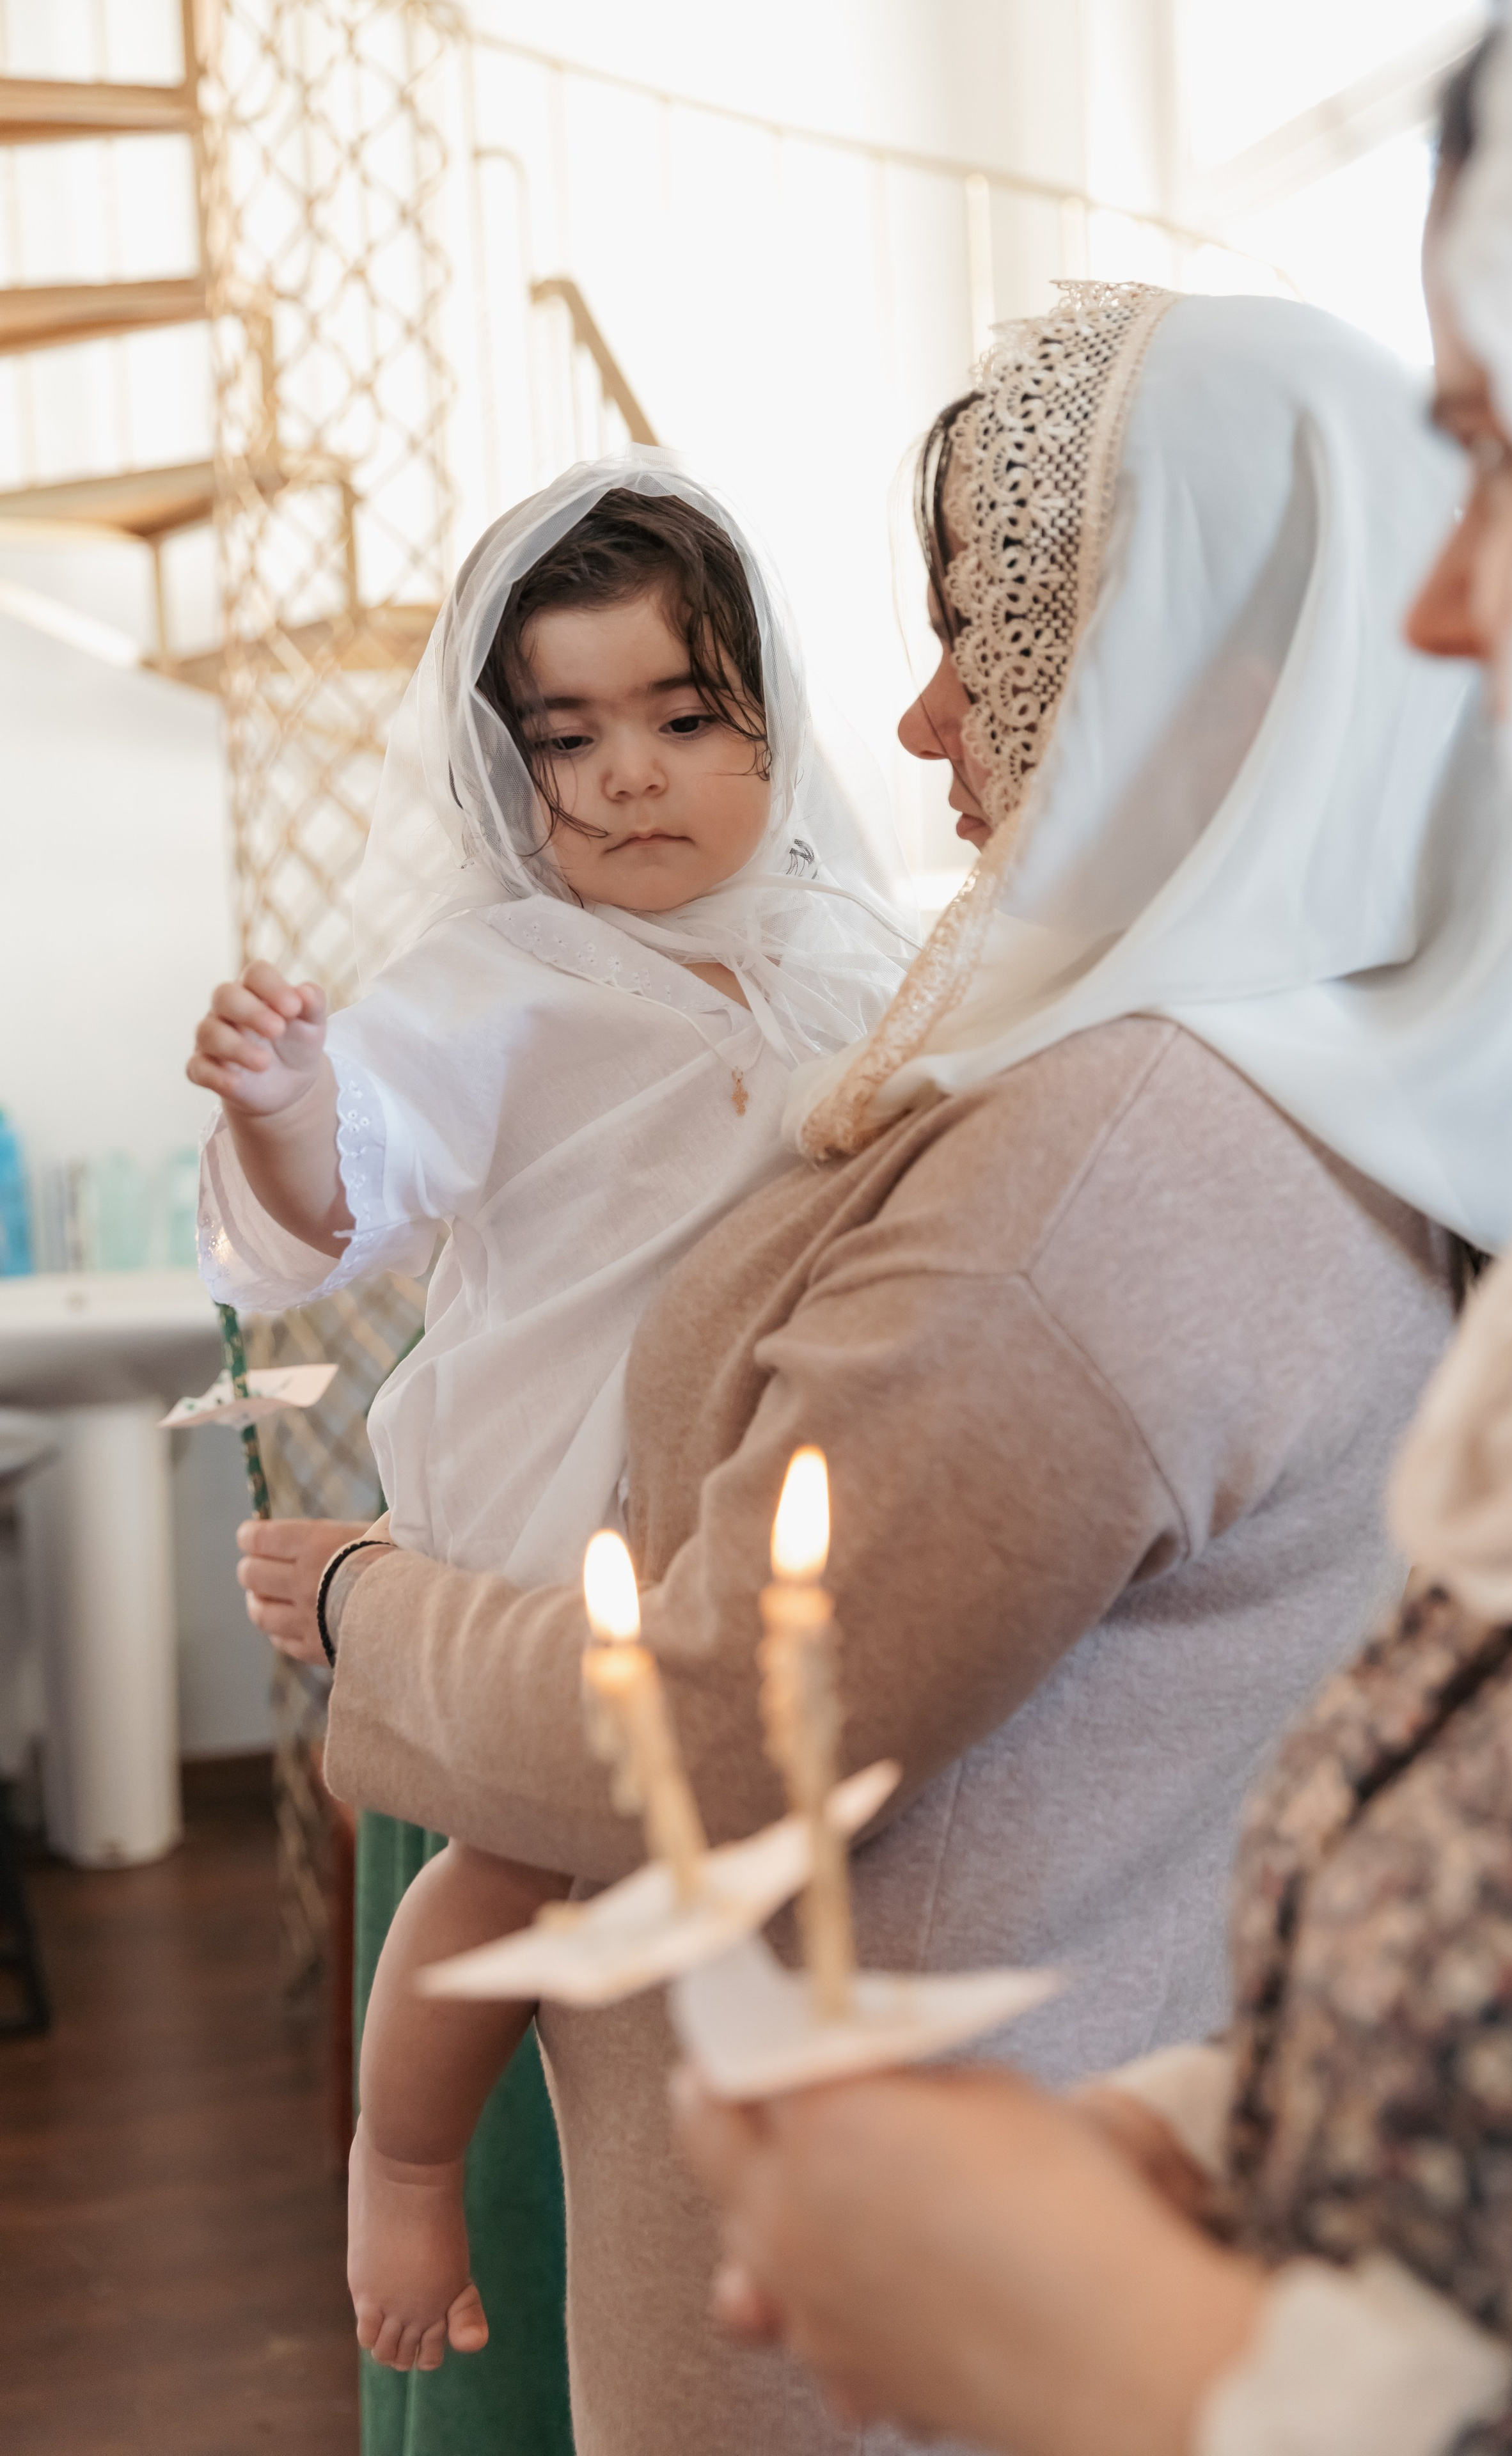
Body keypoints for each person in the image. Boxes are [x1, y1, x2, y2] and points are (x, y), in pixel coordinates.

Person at [289, 263, 1512, 2456]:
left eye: (979, 639)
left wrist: (373, 1613)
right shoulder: (1339, 1065)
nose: (912, 731)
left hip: (893, 2302)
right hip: (1073, 2128)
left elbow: (726, 1724)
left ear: (1211, 667)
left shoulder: (1107, 1166)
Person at [676, 17, 1512, 2454]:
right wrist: (1201, 2133)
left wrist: (1125, 2348)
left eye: (1510, 464)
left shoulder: (1135, 1150)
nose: (1438, 617)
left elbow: (719, 1715)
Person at [187, 462, 911, 2379]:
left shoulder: (858, 956)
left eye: (686, 718)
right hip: (549, 1527)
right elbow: (334, 1197)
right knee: (517, 1866)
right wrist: (284, 1101)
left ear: (777, 715)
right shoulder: (494, 984)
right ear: (506, 772)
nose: (628, 778)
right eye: (566, 737)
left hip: (753, 1527)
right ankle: (403, 2164)